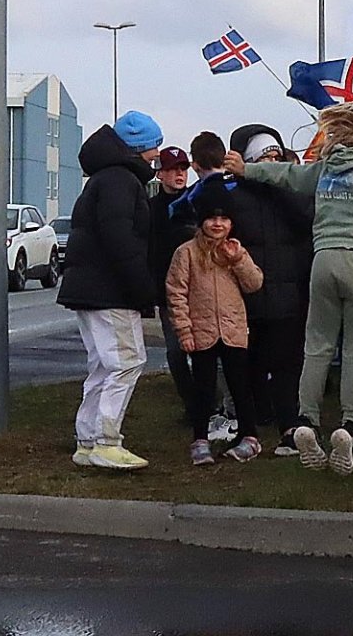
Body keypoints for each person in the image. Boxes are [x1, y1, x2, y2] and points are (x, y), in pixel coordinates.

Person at [224, 95, 353, 476]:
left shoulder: (326, 166)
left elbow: (287, 175)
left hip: (322, 259)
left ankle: (306, 420)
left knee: (317, 343)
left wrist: (246, 170)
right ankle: (349, 424)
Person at [57, 110, 162, 470]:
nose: (156, 155)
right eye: (154, 147)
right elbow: (121, 239)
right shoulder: (122, 181)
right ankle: (105, 441)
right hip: (111, 291)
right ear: (139, 148)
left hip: (90, 289)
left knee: (102, 366)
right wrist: (143, 288)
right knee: (127, 362)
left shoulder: (103, 178)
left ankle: (87, 440)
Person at [228, 124, 313, 456]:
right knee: (248, 364)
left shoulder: (293, 192)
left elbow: (307, 221)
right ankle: (251, 423)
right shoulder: (234, 196)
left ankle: (290, 427)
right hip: (248, 296)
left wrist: (282, 185)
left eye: (277, 156)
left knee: (287, 365)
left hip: (290, 296)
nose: (273, 162)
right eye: (265, 158)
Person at [165, 181, 263, 465]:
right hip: (201, 331)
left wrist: (239, 259)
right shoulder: (186, 253)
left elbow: (254, 283)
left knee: (240, 386)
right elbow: (176, 293)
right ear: (201, 221)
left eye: (223, 219)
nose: (217, 224)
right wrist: (184, 331)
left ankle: (249, 436)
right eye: (211, 218)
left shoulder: (235, 251)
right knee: (203, 389)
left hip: (233, 330)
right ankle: (200, 439)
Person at [169, 130, 239, 441]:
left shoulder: (196, 195)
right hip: (238, 275)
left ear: (195, 164)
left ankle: (215, 414)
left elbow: (174, 213)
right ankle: (241, 416)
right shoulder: (240, 185)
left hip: (205, 276)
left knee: (210, 362)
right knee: (237, 358)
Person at [148, 145, 195, 422]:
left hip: (197, 287)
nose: (179, 174)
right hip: (168, 291)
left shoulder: (195, 202)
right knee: (176, 351)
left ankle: (208, 403)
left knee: (203, 348)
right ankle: (191, 403)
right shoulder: (151, 208)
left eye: (183, 169)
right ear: (160, 174)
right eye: (172, 169)